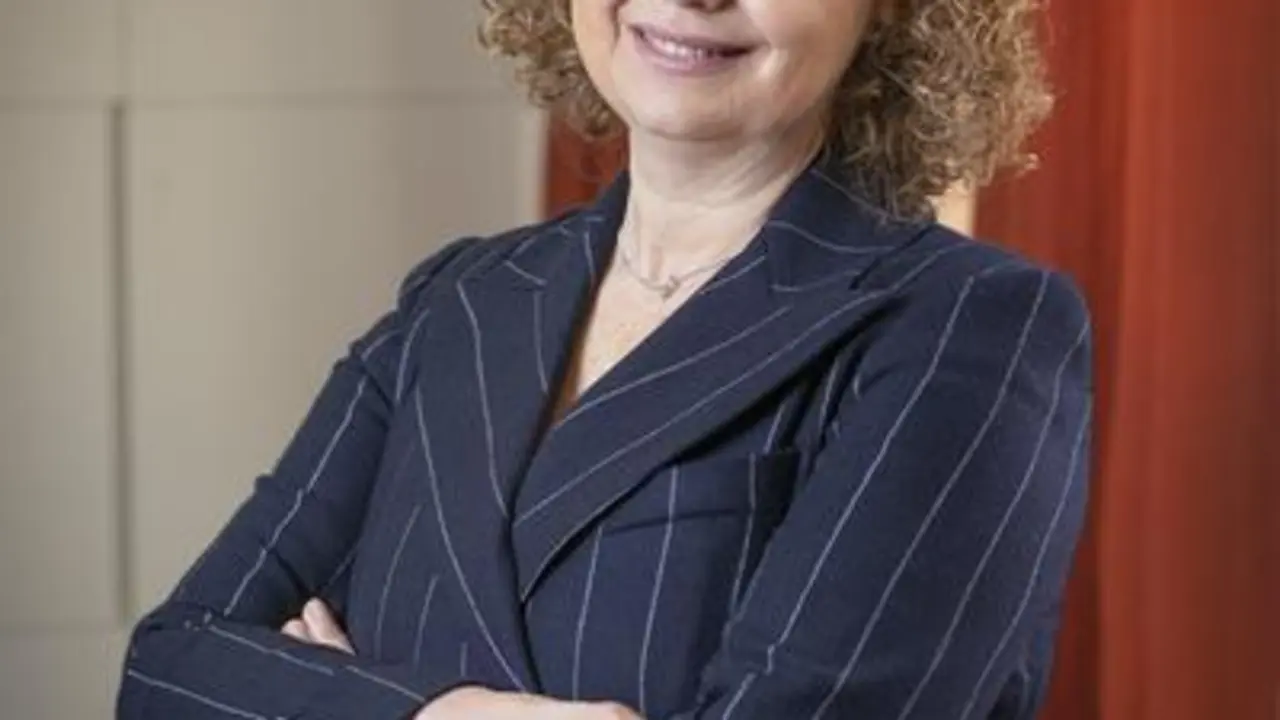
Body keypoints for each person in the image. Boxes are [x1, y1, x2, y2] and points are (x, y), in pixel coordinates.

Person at [116, 0, 1092, 717]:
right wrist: (442, 714)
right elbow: (169, 671)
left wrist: (328, 694)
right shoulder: (457, 301)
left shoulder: (969, 324)